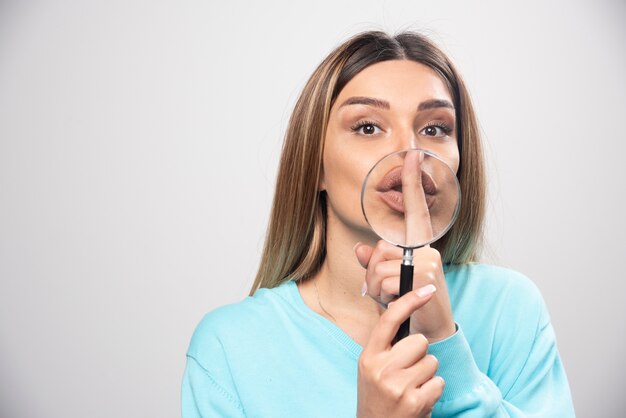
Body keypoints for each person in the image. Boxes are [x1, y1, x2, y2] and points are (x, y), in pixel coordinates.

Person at [181, 31, 576, 417]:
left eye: (434, 129)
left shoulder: (510, 307)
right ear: (315, 165)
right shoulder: (228, 348)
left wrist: (443, 345)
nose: (410, 153)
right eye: (368, 127)